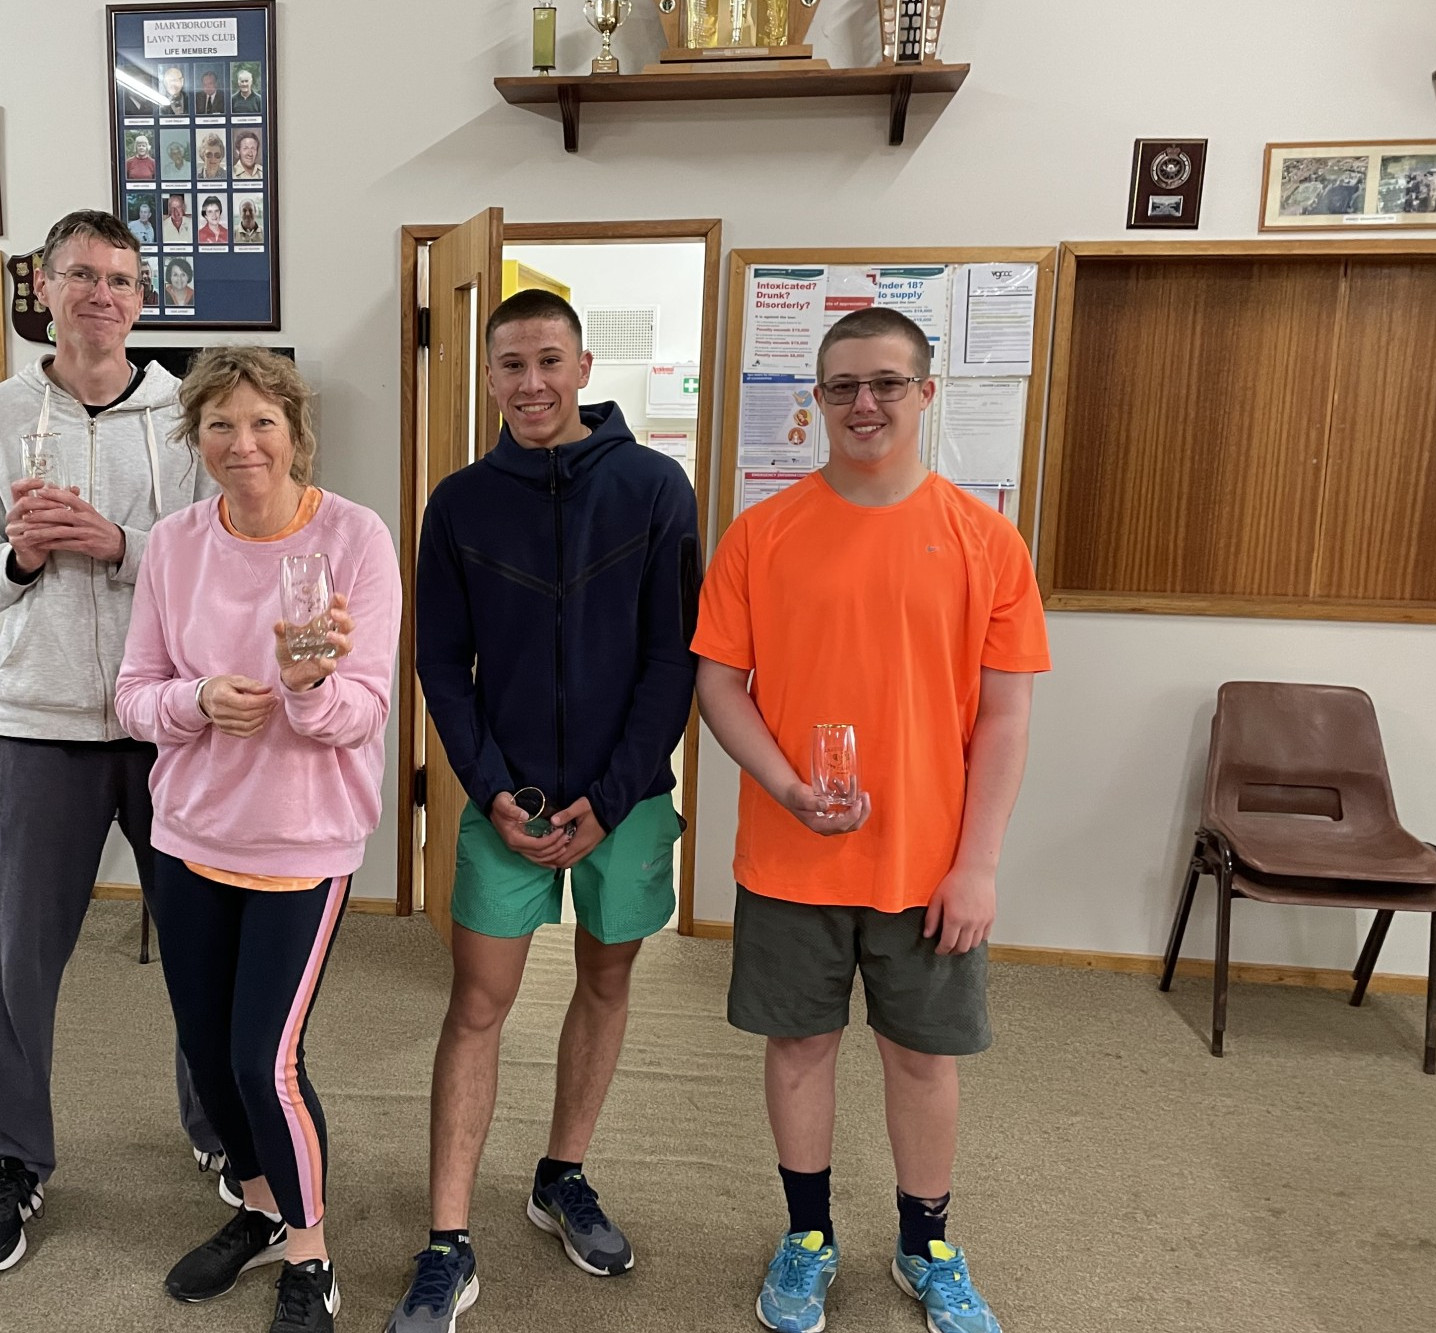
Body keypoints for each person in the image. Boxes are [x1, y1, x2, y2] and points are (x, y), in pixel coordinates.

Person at [690, 307, 1048, 1333]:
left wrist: (975, 864)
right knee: (798, 1048)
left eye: (886, 383)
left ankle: (924, 1242)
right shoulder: (764, 533)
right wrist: (786, 784)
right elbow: (719, 685)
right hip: (790, 854)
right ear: (815, 398)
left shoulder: (983, 541)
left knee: (921, 1058)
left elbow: (1006, 714)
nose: (863, 403)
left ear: (924, 394)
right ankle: (805, 1235)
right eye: (842, 384)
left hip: (929, 865)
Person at [390, 289, 700, 1331]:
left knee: (605, 984)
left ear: (582, 366)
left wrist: (608, 800)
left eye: (549, 361)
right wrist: (488, 789)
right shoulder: (461, 502)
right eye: (510, 364)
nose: (531, 382)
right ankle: (446, 1240)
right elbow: (440, 661)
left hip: (624, 799)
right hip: (504, 800)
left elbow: (673, 658)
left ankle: (560, 1174)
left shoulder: (655, 489)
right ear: (487, 376)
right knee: (475, 1004)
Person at [0, 208, 228, 1276]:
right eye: (79, 276)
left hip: (172, 728)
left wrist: (119, 545)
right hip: (40, 727)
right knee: (22, 962)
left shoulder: (188, 416)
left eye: (120, 279)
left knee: (203, 946)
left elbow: (219, 566)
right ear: (43, 289)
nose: (100, 295)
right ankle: (10, 1160)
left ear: (142, 300)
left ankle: (219, 1132)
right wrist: (17, 558)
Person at [117, 344, 400, 1333]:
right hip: (189, 830)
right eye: (220, 425)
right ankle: (260, 1205)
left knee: (260, 1060)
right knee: (204, 1049)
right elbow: (132, 696)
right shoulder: (174, 544)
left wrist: (308, 685)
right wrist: (195, 701)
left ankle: (311, 1255)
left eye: (261, 422)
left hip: (300, 840)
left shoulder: (356, 541)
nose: (243, 444)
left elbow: (363, 713)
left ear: (294, 432)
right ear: (196, 439)